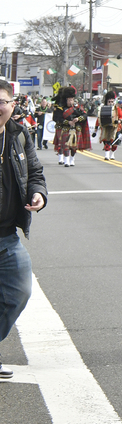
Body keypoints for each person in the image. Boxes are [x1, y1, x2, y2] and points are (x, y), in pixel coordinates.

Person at [0, 81, 47, 380]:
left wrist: (38, 194)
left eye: (2, 101)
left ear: (12, 105)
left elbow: (36, 172)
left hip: (7, 236)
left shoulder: (19, 135)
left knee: (19, 291)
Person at [96, 90, 120, 160]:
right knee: (107, 141)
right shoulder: (102, 108)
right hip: (106, 127)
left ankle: (112, 154)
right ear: (106, 102)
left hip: (115, 127)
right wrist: (95, 128)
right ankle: (107, 155)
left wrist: (119, 120)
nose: (110, 103)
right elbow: (99, 118)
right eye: (109, 102)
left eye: (112, 102)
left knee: (115, 144)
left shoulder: (117, 109)